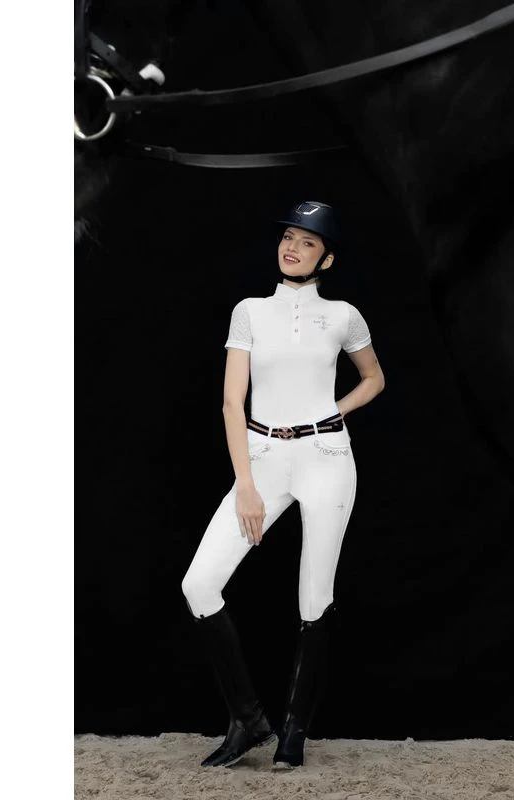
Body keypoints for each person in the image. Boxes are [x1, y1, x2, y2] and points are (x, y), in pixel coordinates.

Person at [181, 200, 385, 770]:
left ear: (327, 258)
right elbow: (232, 402)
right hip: (263, 457)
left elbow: (374, 377)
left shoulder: (343, 316)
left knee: (314, 596)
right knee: (199, 584)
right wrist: (245, 484)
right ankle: (248, 719)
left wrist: (337, 410)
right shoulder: (249, 311)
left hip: (326, 457)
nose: (292, 247)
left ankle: (294, 733)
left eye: (307, 241)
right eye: (289, 237)